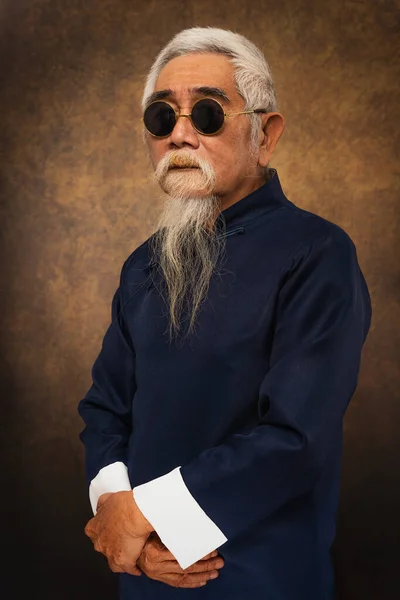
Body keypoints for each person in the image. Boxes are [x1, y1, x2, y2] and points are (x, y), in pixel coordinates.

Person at [78, 26, 372, 600]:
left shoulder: (318, 253)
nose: (180, 134)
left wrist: (145, 519)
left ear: (266, 134)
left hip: (260, 578)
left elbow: (295, 438)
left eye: (208, 113)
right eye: (161, 118)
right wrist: (119, 517)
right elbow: (104, 407)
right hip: (143, 577)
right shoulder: (143, 265)